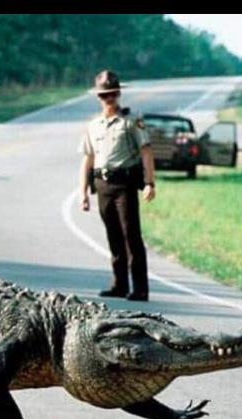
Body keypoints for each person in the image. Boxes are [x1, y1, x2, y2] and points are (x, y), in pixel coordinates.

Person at [77, 70, 156, 301]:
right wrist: (83, 192)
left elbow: (146, 152)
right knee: (113, 236)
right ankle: (119, 284)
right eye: (104, 95)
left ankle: (140, 288)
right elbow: (87, 159)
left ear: (119, 94)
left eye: (112, 94)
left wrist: (150, 182)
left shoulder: (131, 122)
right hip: (102, 184)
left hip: (125, 184)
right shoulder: (94, 125)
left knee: (131, 235)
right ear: (98, 98)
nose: (108, 99)